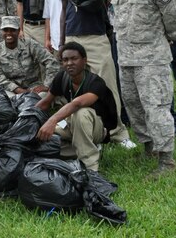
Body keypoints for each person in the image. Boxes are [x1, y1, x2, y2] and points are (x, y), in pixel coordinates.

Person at [111, 0, 176, 176]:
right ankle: (148, 147)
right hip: (126, 55)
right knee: (133, 105)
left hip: (152, 56)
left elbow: (173, 12)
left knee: (156, 107)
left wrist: (170, 37)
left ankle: (167, 161)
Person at [60, 0, 134, 148]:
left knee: (108, 84)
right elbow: (64, 10)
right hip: (73, 35)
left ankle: (118, 133)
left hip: (96, 34)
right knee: (76, 87)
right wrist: (63, 41)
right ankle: (86, 131)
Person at [35, 42, 118, 172]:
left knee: (81, 113)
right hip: (70, 124)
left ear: (84, 60)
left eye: (74, 58)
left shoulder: (95, 82)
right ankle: (82, 150)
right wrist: (26, 118)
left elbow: (77, 103)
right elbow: (45, 102)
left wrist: (52, 120)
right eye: (65, 60)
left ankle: (90, 168)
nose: (69, 63)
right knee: (40, 138)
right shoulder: (62, 77)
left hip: (97, 129)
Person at [0, 16, 59, 97]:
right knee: (4, 100)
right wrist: (18, 90)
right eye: (5, 30)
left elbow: (51, 61)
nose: (9, 33)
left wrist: (47, 85)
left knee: (41, 96)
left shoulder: (30, 44)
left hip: (33, 87)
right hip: (10, 89)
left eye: (13, 30)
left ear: (19, 30)